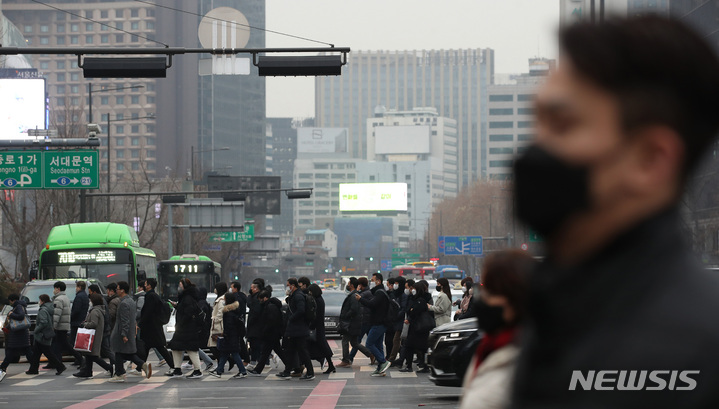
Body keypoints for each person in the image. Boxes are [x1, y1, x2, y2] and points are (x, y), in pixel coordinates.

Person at [510, 16, 719, 408]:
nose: (535, 147)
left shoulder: (695, 348)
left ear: (651, 159)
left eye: (563, 124)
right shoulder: (563, 309)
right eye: (536, 123)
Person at [460, 251, 535, 409]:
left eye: (491, 292)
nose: (484, 299)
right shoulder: (490, 347)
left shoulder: (531, 360)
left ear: (515, 297)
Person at [109, 281, 151, 382]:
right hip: (129, 331)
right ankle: (123, 372)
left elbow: (125, 320)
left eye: (118, 289)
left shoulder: (123, 303)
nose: (117, 291)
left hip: (121, 332)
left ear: (122, 290)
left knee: (120, 352)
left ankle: (121, 373)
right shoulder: (131, 301)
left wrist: (123, 334)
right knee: (124, 353)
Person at [275, 278, 314, 381]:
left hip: (299, 328)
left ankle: (310, 372)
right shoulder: (295, 295)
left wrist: (291, 319)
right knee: (290, 351)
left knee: (303, 351)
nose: (288, 288)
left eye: (288, 286)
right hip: (295, 329)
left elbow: (301, 310)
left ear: (293, 285)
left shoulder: (298, 296)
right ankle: (287, 372)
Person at [167, 278, 204, 379]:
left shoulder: (187, 297)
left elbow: (188, 312)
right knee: (176, 347)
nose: (178, 287)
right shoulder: (186, 297)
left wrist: (181, 324)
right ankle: (177, 369)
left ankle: (197, 370)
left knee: (191, 349)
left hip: (187, 328)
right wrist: (177, 306)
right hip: (185, 328)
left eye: (180, 285)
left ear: (184, 286)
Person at [355, 273, 391, 376]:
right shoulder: (378, 292)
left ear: (378, 281)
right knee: (378, 345)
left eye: (372, 280)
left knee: (369, 344)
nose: (371, 282)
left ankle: (383, 362)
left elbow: (372, 304)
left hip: (379, 323)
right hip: (380, 322)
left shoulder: (380, 293)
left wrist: (360, 299)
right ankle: (381, 368)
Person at [139, 278, 175, 375]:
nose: (144, 286)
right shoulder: (153, 295)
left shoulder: (151, 296)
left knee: (160, 348)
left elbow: (148, 312)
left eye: (146, 284)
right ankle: (140, 367)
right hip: (153, 327)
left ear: (150, 285)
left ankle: (173, 366)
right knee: (147, 347)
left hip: (152, 328)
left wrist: (140, 324)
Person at [73, 293, 113, 378]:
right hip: (95, 336)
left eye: (90, 300)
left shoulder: (95, 311)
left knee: (93, 356)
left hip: (93, 337)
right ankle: (87, 371)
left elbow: (93, 324)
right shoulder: (99, 310)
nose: (89, 302)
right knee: (89, 356)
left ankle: (109, 367)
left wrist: (85, 324)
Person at [208, 292, 248, 378]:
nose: (224, 300)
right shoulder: (234, 310)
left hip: (230, 336)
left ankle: (242, 371)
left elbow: (229, 325)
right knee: (225, 353)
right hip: (233, 335)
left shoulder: (228, 313)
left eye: (225, 299)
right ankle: (219, 371)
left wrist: (225, 334)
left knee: (233, 353)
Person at [248, 290, 287, 376]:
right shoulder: (269, 306)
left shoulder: (270, 307)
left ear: (265, 298)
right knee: (272, 351)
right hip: (272, 333)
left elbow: (271, 322)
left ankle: (258, 370)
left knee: (266, 352)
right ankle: (290, 366)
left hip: (271, 333)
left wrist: (264, 331)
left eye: (261, 299)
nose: (260, 301)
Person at [26, 294, 66, 376]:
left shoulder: (43, 310)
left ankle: (60, 366)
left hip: (42, 335)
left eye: (39, 300)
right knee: (37, 353)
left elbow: (43, 322)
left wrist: (36, 330)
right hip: (45, 334)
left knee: (48, 353)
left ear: (42, 301)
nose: (39, 302)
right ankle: (33, 369)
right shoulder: (49, 308)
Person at [337, 277, 372, 368]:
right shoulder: (354, 295)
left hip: (351, 324)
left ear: (351, 285)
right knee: (354, 343)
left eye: (348, 284)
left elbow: (354, 310)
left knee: (345, 340)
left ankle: (346, 360)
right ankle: (371, 354)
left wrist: (345, 316)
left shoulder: (353, 296)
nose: (348, 285)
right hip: (354, 323)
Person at [400, 281, 433, 373]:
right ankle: (421, 366)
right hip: (418, 327)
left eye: (414, 289)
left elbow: (414, 312)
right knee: (421, 347)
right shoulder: (416, 299)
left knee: (410, 346)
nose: (412, 290)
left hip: (418, 327)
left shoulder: (420, 300)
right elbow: (410, 310)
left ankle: (410, 366)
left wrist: (412, 310)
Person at [0, 294, 32, 381]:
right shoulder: (19, 306)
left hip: (18, 334)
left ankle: (2, 368)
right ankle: (34, 366)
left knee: (11, 352)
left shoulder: (18, 306)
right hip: (20, 334)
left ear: (12, 300)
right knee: (26, 351)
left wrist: (11, 314)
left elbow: (21, 316)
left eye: (10, 301)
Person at [50, 281, 81, 368]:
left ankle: (80, 359)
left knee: (64, 345)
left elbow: (56, 314)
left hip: (60, 326)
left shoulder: (58, 299)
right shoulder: (65, 298)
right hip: (64, 325)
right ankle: (57, 362)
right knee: (59, 345)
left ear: (58, 289)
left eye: (55, 288)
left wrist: (53, 326)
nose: (54, 290)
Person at [306, 283, 335, 374]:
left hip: (317, 327)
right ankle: (328, 363)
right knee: (320, 346)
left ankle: (329, 364)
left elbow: (316, 315)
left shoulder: (317, 300)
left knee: (322, 346)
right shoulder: (319, 299)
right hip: (319, 327)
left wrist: (311, 326)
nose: (309, 293)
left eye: (310, 291)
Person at [348, 277, 374, 365]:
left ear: (360, 285)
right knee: (370, 341)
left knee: (356, 341)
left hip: (364, 320)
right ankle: (375, 357)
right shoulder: (369, 292)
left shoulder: (363, 294)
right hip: (368, 319)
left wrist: (357, 291)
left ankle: (350, 358)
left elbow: (356, 299)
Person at [89, 284, 115, 371]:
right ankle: (86, 370)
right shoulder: (101, 302)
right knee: (92, 352)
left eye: (90, 293)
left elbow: (105, 317)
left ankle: (117, 365)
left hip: (102, 330)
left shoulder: (99, 305)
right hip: (103, 329)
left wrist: (85, 324)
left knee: (106, 350)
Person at [245, 278, 265, 371]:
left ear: (256, 289)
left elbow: (253, 308)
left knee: (256, 345)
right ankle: (255, 363)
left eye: (252, 288)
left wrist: (250, 296)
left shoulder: (256, 298)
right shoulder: (256, 296)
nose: (251, 289)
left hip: (256, 326)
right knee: (256, 345)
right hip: (254, 325)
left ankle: (254, 363)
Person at [387, 276, 407, 364]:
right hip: (395, 321)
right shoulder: (395, 294)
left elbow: (403, 309)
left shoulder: (403, 296)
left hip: (401, 321)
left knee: (396, 340)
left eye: (396, 284)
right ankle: (403, 356)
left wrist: (396, 316)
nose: (395, 285)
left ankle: (392, 359)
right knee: (399, 342)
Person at [70, 280, 89, 366]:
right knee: (78, 342)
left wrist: (71, 318)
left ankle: (79, 359)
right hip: (81, 321)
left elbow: (76, 310)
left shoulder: (79, 297)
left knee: (74, 342)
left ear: (79, 287)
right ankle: (79, 359)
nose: (76, 289)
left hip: (76, 322)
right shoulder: (85, 296)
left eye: (77, 287)